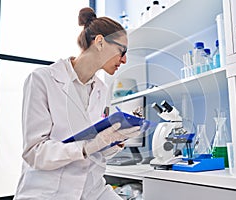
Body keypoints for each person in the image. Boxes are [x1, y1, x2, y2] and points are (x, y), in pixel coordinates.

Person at [14, 7, 145, 200]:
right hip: (47, 193)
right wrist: (88, 146)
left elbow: (96, 152)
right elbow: (34, 153)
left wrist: (114, 141)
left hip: (92, 190)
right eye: (121, 51)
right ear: (100, 42)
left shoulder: (101, 89)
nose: (124, 60)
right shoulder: (42, 80)